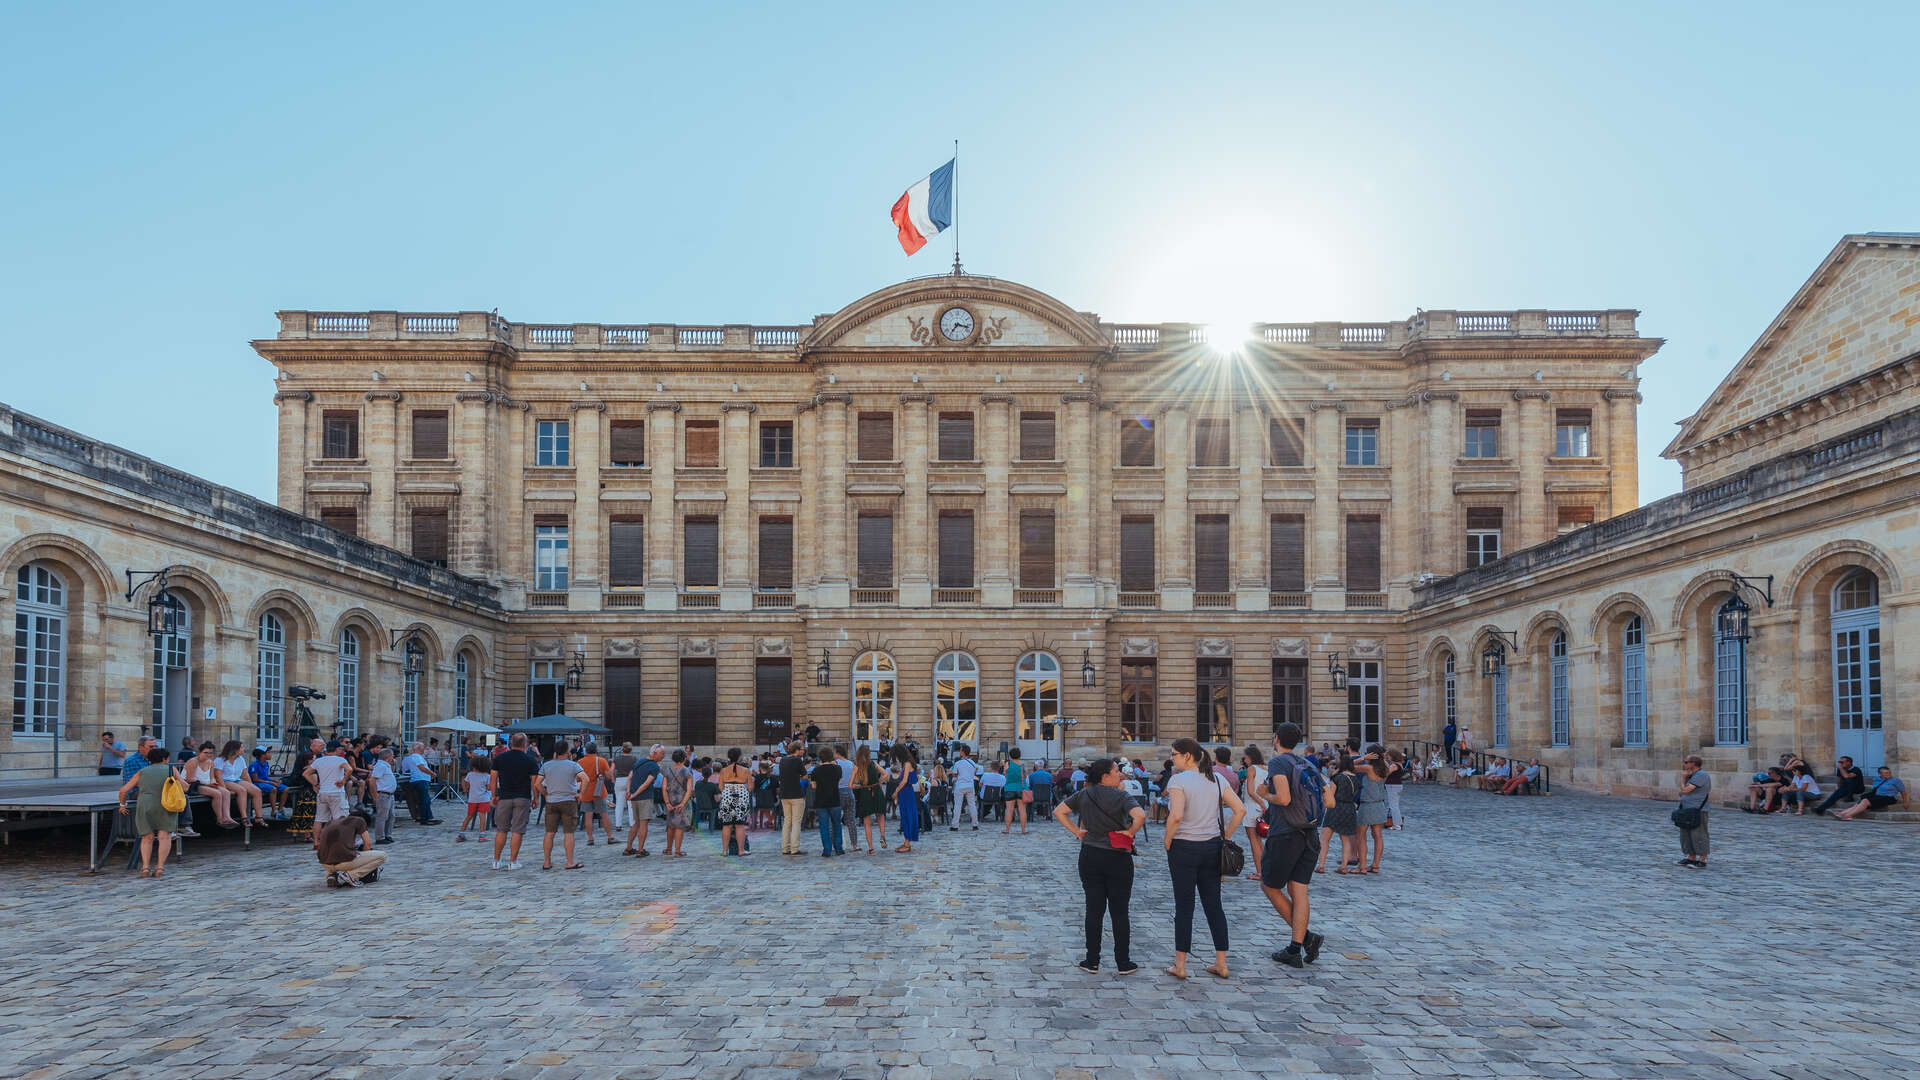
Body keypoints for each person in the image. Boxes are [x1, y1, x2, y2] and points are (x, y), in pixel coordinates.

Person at [1162, 737, 1245, 981]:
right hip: (1212, 847)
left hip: (1184, 847)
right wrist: (1225, 836)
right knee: (1214, 905)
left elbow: (1176, 816)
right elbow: (1239, 810)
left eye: (1174, 754)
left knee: (1184, 906)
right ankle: (1221, 962)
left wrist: (1167, 839)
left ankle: (1180, 964)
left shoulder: (1178, 780)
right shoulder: (1217, 779)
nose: (1172, 758)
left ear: (1187, 756)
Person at [1054, 757, 1145, 975]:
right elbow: (1140, 815)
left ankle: (1092, 960)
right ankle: (1123, 962)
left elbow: (1059, 811)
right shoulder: (1122, 796)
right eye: (1116, 771)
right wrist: (1130, 833)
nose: (1120, 775)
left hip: (1091, 854)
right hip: (1118, 856)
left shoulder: (1084, 794)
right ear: (1105, 776)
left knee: (1093, 910)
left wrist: (1077, 832)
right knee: (1120, 912)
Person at [1261, 723, 1330, 968]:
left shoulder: (1279, 763)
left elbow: (1283, 798)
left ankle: (1305, 940)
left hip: (1286, 834)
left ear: (1276, 739)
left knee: (1269, 886)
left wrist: (1264, 793)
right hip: (1310, 834)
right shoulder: (1309, 764)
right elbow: (1329, 799)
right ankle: (1296, 946)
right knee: (1299, 892)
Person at [117, 745, 178, 877]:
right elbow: (184, 787)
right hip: (165, 805)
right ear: (164, 759)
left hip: (145, 805)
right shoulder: (170, 769)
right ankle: (160, 868)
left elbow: (123, 791)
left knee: (146, 837)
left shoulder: (142, 771)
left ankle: (145, 868)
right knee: (164, 836)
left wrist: (122, 805)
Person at [489, 733, 540, 870]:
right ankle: (513, 861)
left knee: (501, 830)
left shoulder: (500, 758)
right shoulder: (530, 760)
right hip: (522, 797)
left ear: (511, 743)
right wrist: (536, 798)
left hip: (504, 797)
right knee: (517, 830)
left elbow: (493, 779)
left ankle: (496, 861)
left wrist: (493, 795)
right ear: (525, 744)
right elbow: (535, 782)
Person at [536, 742, 585, 870]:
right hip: (569, 800)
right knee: (568, 832)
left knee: (549, 832)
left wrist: (545, 794)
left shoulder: (546, 765)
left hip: (552, 800)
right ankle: (569, 861)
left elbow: (537, 783)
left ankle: (546, 862)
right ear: (567, 751)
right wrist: (581, 794)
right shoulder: (574, 765)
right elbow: (585, 778)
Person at [304, 743, 354, 850]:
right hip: (336, 792)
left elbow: (305, 774)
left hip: (323, 792)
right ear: (336, 749)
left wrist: (315, 784)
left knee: (319, 819)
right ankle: (340, 841)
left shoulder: (319, 760)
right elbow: (349, 769)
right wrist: (344, 780)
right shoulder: (340, 760)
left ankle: (316, 842)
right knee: (339, 818)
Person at [315, 810, 385, 887]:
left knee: (333, 851)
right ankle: (352, 875)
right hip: (344, 863)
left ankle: (331, 875)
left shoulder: (332, 822)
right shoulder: (359, 820)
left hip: (325, 864)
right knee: (382, 856)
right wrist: (363, 857)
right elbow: (368, 844)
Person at [1321, 754, 1362, 874]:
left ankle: (1321, 865)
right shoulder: (1355, 779)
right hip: (1349, 808)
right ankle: (1344, 866)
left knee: (1325, 838)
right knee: (1345, 839)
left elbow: (1331, 795)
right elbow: (1354, 795)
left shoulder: (1337, 778)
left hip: (1335, 807)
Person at [623, 745, 666, 857]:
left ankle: (628, 848)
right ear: (654, 753)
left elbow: (629, 777)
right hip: (645, 797)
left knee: (636, 823)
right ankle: (640, 850)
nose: (663, 756)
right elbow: (646, 784)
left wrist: (629, 792)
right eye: (662, 753)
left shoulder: (639, 762)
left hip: (634, 798)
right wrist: (634, 794)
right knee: (643, 824)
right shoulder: (655, 767)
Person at [1353, 746, 1389, 873]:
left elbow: (1348, 767)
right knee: (1378, 836)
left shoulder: (1368, 768)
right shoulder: (1386, 768)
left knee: (1361, 836)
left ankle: (1362, 866)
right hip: (1379, 804)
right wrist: (1382, 757)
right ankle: (1375, 865)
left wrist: (1362, 758)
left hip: (1367, 804)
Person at [215, 740, 268, 826]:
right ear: (235, 750)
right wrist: (224, 788)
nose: (243, 749)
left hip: (236, 779)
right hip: (225, 780)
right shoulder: (220, 759)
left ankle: (259, 817)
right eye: (241, 748)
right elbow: (218, 775)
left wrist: (251, 785)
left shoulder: (240, 759)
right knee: (242, 790)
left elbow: (245, 774)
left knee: (257, 791)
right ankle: (244, 817)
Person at [657, 749, 696, 857]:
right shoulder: (687, 772)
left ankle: (669, 849)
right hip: (681, 800)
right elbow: (689, 790)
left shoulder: (667, 770)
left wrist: (667, 802)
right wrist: (683, 803)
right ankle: (677, 851)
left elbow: (664, 788)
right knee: (680, 827)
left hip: (670, 800)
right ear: (684, 758)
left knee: (670, 825)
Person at [851, 744, 890, 853]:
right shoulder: (874, 764)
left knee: (867, 822)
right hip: (876, 790)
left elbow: (851, 785)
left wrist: (860, 786)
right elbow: (886, 774)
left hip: (865, 792)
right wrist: (879, 782)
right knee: (880, 815)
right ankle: (882, 836)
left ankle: (871, 848)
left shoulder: (857, 767)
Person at [715, 748, 753, 857]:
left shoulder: (723, 770)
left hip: (727, 795)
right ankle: (741, 850)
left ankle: (725, 851)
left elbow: (720, 786)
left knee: (727, 825)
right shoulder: (746, 770)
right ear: (739, 757)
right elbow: (750, 787)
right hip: (741, 795)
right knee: (739, 825)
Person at [577, 743, 616, 846]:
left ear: (586, 750)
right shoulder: (601, 761)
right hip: (599, 792)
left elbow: (577, 778)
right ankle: (610, 837)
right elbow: (608, 777)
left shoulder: (580, 762)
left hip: (585, 792)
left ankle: (590, 838)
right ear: (596, 750)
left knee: (588, 816)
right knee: (604, 815)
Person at [1835, 766, 1909, 820]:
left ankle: (1848, 815)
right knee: (1860, 802)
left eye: (1889, 772)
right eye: (1886, 773)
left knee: (1865, 801)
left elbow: (1903, 792)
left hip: (1889, 797)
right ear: (1880, 774)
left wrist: (1905, 802)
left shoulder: (1896, 781)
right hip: (1878, 796)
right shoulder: (1877, 779)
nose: (1888, 774)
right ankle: (1842, 813)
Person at [1676, 755, 1711, 868]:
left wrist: (1682, 780)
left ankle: (1702, 859)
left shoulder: (1702, 775)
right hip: (1686, 808)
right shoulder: (1691, 776)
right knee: (1686, 834)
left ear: (1693, 764)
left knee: (1699, 834)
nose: (1684, 764)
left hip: (1698, 809)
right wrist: (1685, 781)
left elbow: (1686, 790)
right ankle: (1691, 858)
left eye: (1686, 762)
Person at [1241, 745, 1270, 882]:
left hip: (1253, 806)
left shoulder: (1251, 769)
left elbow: (1251, 791)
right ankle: (1265, 869)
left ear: (1250, 757)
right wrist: (1265, 803)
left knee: (1254, 840)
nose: (1244, 760)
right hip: (1264, 806)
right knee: (1260, 841)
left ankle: (1260, 872)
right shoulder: (1266, 769)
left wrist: (1261, 803)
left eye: (1246, 757)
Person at [810, 746, 845, 857]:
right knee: (837, 825)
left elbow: (814, 786)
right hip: (835, 800)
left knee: (824, 826)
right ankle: (839, 848)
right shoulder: (838, 769)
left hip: (821, 801)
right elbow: (838, 781)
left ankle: (827, 849)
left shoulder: (816, 770)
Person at [776, 740, 809, 855]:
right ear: (797, 750)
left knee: (787, 821)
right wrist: (797, 778)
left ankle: (785, 848)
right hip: (796, 794)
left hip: (784, 794)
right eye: (802, 749)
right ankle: (794, 848)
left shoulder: (782, 760)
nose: (803, 751)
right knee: (796, 822)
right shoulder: (797, 760)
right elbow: (805, 775)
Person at [399, 742, 440, 825]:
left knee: (423, 799)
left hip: (416, 779)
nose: (424, 749)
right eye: (423, 747)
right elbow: (421, 767)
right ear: (419, 748)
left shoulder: (410, 758)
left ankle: (428, 816)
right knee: (425, 799)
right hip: (421, 779)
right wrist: (432, 773)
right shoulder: (417, 757)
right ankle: (425, 818)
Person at [457, 754, 492, 843]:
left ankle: (461, 833)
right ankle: (482, 835)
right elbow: (488, 788)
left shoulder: (470, 774)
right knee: (482, 816)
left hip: (472, 799)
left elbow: (467, 785)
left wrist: (466, 789)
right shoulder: (487, 776)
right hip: (484, 799)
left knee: (469, 816)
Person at [891, 745, 920, 853]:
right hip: (905, 793)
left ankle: (907, 844)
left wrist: (895, 792)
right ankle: (906, 842)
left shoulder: (907, 763)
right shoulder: (907, 763)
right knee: (905, 817)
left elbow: (904, 781)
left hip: (906, 793)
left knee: (907, 817)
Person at [368, 748, 399, 844]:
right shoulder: (380, 766)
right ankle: (380, 837)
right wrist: (374, 794)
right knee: (382, 816)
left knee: (391, 815)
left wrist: (393, 764)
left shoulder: (386, 765)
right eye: (392, 755)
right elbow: (372, 780)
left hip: (389, 794)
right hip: (383, 794)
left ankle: (387, 835)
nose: (393, 757)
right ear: (388, 757)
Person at [950, 744, 981, 830]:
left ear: (963, 752)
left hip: (960, 785)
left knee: (958, 806)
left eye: (960, 750)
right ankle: (975, 824)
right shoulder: (972, 763)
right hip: (970, 785)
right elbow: (975, 770)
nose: (959, 752)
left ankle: (955, 825)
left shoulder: (958, 763)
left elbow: (955, 774)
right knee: (972, 805)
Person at [1002, 747, 1030, 834]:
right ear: (1019, 755)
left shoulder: (1008, 764)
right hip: (1021, 788)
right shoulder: (1022, 764)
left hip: (1010, 788)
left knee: (1009, 809)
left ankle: (1007, 829)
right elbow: (1025, 776)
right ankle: (1023, 830)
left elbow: (1005, 774)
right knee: (1022, 809)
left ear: (1010, 755)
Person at [611, 742, 638, 830]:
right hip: (630, 780)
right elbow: (636, 771)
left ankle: (618, 825)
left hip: (619, 780)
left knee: (619, 803)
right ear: (631, 749)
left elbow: (611, 771)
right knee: (630, 804)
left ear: (622, 749)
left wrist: (613, 780)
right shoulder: (634, 759)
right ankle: (632, 823)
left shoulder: (617, 758)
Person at [1384, 749, 1407, 830]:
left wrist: (1383, 760)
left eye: (1389, 756)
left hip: (1392, 786)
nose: (1388, 757)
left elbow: (1386, 772)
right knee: (1395, 805)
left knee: (1393, 805)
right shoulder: (1399, 764)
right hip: (1397, 785)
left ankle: (1396, 825)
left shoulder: (1394, 765)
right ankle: (1398, 822)